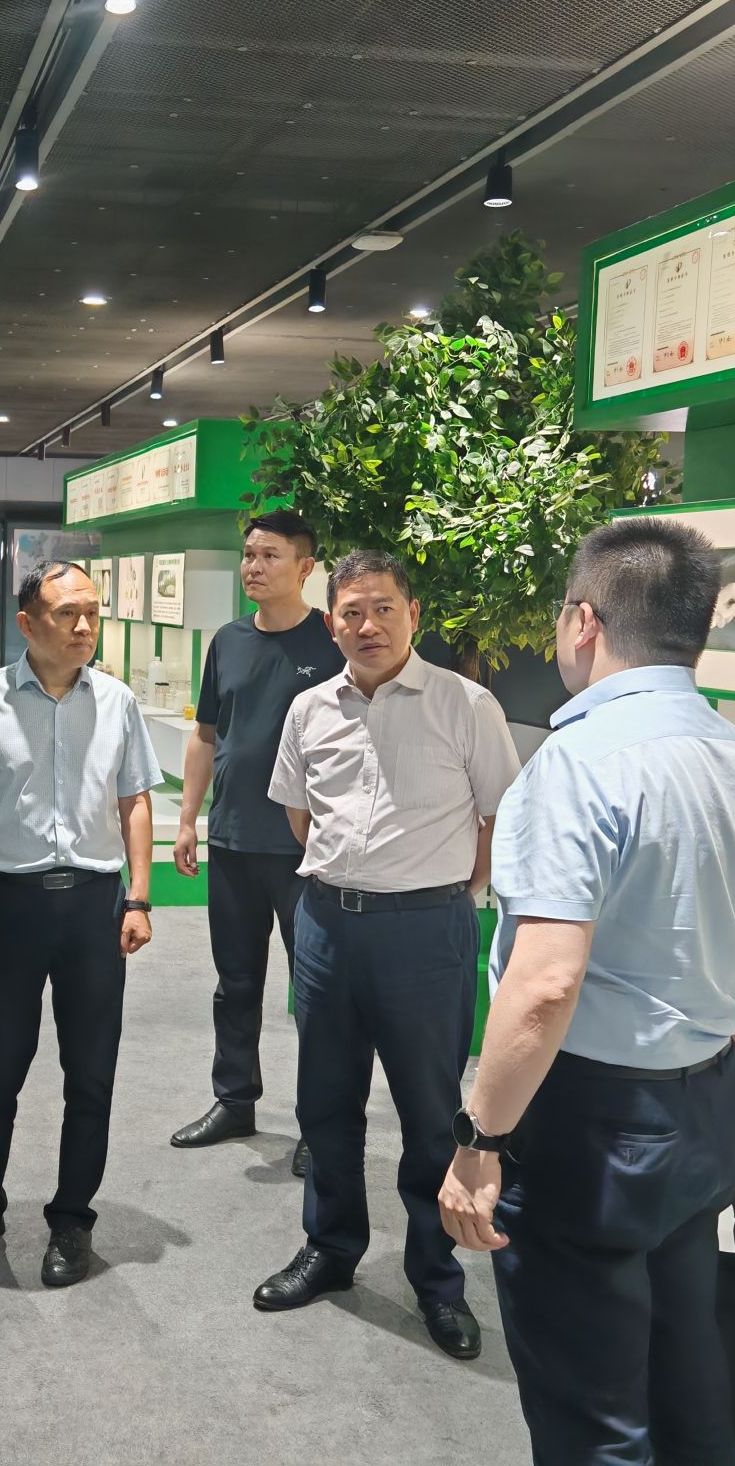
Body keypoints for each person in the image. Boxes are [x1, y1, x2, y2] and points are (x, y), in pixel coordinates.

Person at [438, 518, 735, 1465]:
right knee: (687, 1387)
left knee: (592, 1416)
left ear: (584, 621)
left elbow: (545, 982)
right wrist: (705, 1081)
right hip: (707, 1104)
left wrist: (479, 1140)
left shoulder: (577, 764)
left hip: (590, 1125)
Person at [255, 549, 520, 1363]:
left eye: (383, 609)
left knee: (430, 1114)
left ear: (413, 615)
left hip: (426, 933)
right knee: (325, 1105)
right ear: (329, 621)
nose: (367, 625)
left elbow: (498, 817)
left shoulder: (466, 705)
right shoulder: (309, 709)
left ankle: (436, 1280)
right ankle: (330, 1249)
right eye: (351, 612)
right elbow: (300, 815)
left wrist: (448, 889)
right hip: (327, 926)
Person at [0, 561, 163, 1288]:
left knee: (90, 1072)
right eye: (66, 613)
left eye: (92, 612)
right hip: (7, 906)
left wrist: (139, 898)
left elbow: (135, 801)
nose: (84, 626)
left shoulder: (117, 702)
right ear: (27, 623)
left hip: (94, 906)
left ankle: (73, 1220)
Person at [169, 510, 342, 1175]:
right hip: (234, 842)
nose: (254, 566)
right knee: (235, 981)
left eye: (270, 555)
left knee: (316, 992)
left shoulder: (332, 642)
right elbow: (206, 735)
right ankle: (234, 1099)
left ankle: (319, 1123)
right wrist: (189, 818)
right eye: (248, 555)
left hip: (308, 850)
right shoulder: (228, 641)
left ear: (305, 567)